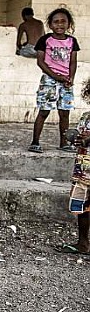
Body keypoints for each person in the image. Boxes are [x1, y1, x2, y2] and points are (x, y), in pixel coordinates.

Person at [29, 8, 80, 154]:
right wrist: (55, 76)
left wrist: (71, 78)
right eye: (56, 22)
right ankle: (35, 141)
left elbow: (73, 62)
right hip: (49, 80)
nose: (59, 25)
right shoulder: (45, 40)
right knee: (44, 111)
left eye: (63, 21)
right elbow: (40, 61)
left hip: (66, 81)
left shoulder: (72, 41)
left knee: (65, 113)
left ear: (69, 24)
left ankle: (64, 143)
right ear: (50, 25)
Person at [61, 77, 90, 255]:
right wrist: (74, 138)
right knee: (83, 208)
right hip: (83, 171)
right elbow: (79, 138)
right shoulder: (85, 117)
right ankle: (83, 242)